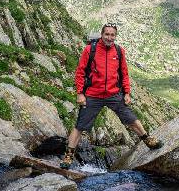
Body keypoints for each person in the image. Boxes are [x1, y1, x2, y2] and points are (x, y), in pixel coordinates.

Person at [60, 23, 163, 169]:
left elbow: (124, 73)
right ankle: (68, 157)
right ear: (102, 35)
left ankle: (148, 139)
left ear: (115, 36)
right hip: (93, 95)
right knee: (80, 126)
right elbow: (80, 73)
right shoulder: (90, 50)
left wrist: (126, 93)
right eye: (107, 34)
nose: (109, 37)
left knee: (131, 118)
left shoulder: (119, 51)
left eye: (112, 35)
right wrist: (80, 93)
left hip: (114, 94)